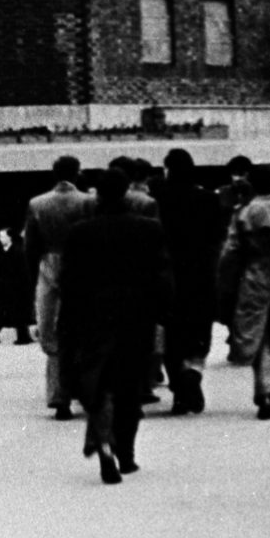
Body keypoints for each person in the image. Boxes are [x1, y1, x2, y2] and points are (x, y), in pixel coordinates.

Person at [59, 167, 175, 483]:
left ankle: (103, 442)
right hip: (137, 316)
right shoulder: (149, 229)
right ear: (126, 192)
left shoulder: (79, 232)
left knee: (98, 383)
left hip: (92, 317)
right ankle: (127, 454)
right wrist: (164, 313)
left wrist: (67, 323)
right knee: (130, 386)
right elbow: (162, 276)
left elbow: (68, 283)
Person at [153, 148, 226, 413]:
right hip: (201, 272)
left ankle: (178, 391)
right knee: (199, 329)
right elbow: (218, 236)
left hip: (169, 272)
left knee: (172, 333)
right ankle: (194, 370)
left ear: (168, 169)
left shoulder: (159, 198)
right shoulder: (208, 199)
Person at [24, 156, 97, 418]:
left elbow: (30, 247)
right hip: (84, 267)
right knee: (85, 331)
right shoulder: (89, 202)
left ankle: (59, 396)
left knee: (53, 333)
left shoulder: (37, 203)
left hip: (50, 265)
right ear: (78, 173)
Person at [222, 164, 270, 418]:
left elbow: (230, 252)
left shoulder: (244, 212)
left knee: (260, 336)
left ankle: (265, 390)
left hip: (255, 276)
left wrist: (226, 282)